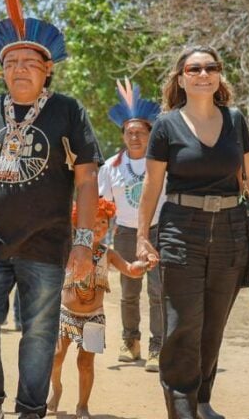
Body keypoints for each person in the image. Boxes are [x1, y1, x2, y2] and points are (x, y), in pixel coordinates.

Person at [0, 0, 102, 419]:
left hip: (46, 241)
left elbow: (88, 178)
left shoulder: (67, 110)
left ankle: (31, 409)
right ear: (1, 71)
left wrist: (85, 242)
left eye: (30, 62)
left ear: (47, 69)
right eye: (11, 63)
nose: (20, 69)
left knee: (38, 330)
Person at [136, 45, 249, 419]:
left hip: (230, 230)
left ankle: (201, 399)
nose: (203, 74)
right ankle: (181, 408)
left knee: (213, 324)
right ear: (181, 78)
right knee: (183, 324)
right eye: (194, 69)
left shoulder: (236, 120)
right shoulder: (165, 125)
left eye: (211, 67)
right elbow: (151, 184)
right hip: (181, 229)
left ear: (218, 76)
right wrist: (143, 235)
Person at [48, 198, 148, 419]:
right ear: (78, 223)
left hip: (94, 318)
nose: (99, 226)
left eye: (103, 221)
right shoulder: (70, 250)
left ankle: (82, 405)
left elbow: (129, 269)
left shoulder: (108, 254)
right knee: (55, 357)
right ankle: (56, 389)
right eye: (93, 221)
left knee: (86, 363)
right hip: (65, 314)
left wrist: (141, 266)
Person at [98, 78, 164, 371]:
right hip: (124, 232)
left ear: (150, 133)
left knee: (159, 291)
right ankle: (130, 341)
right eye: (129, 132)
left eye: (140, 132)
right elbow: (103, 207)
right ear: (122, 134)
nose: (134, 137)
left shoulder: (162, 164)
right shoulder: (110, 167)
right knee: (129, 291)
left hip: (159, 229)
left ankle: (158, 346)